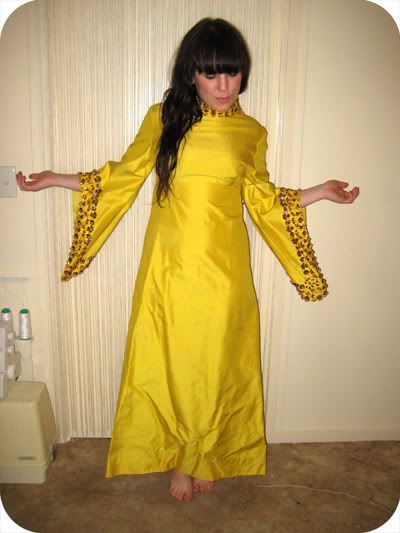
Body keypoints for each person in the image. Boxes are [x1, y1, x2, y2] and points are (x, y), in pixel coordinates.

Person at [17, 18, 359, 503]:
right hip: (170, 267)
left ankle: (207, 452)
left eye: (232, 73)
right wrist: (56, 179)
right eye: (210, 73)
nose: (223, 86)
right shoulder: (164, 118)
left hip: (225, 270)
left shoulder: (251, 132)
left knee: (218, 363)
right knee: (175, 362)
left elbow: (262, 199)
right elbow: (124, 175)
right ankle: (180, 456)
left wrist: (319, 192)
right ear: (191, 74)